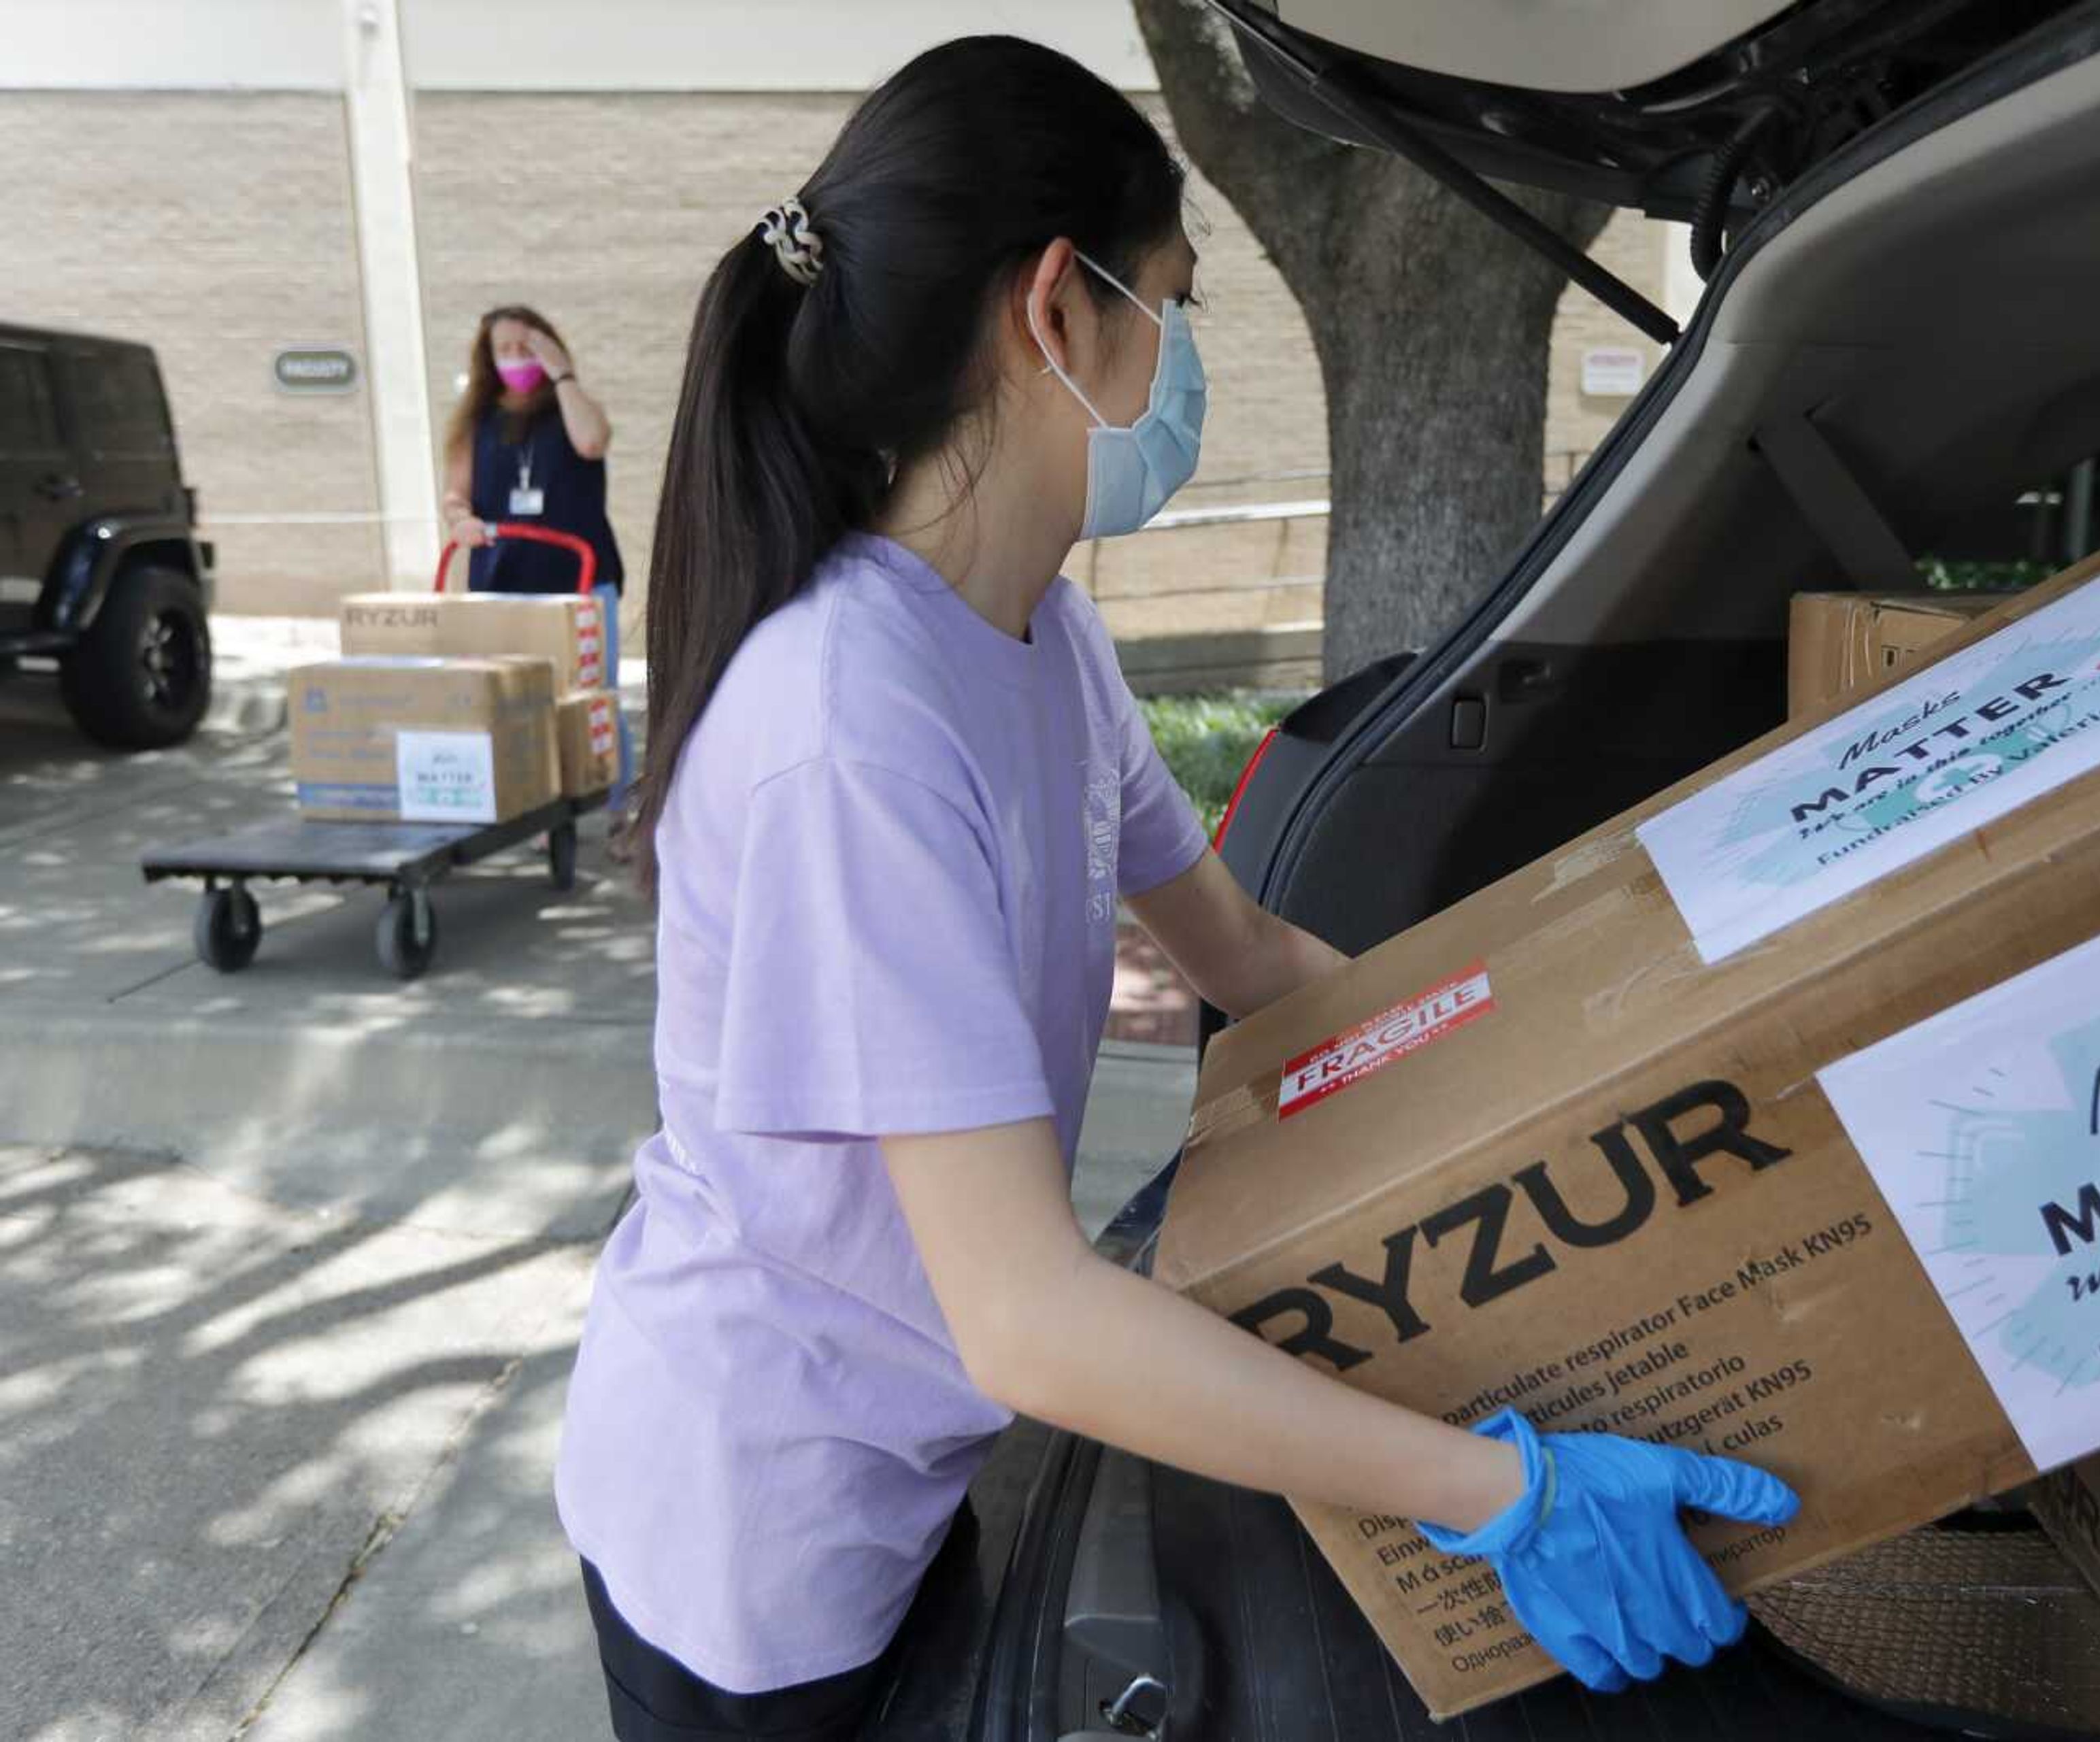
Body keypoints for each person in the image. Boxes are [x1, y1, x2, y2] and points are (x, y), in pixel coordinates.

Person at [552, 35, 1797, 1742]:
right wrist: (1489, 1490)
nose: (1183, 358)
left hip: (901, 1450)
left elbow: (1253, 949)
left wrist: (1553, 1068)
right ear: (1057, 311)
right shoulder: (844, 725)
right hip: (760, 1538)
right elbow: (1032, 1320)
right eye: (1173, 302)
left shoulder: (1037, 633)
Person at [439, 305, 634, 816]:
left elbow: (593, 442)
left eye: (525, 346)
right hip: (504, 580)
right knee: (515, 702)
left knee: (595, 698)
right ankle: (532, 802)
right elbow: (455, 495)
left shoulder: (572, 406)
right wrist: (460, 520)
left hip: (581, 580)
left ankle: (618, 810)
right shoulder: (476, 420)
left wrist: (562, 373)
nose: (515, 358)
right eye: (503, 350)